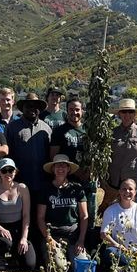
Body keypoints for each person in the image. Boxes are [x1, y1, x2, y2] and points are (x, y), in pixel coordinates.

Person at [37, 154, 88, 271]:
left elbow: (84, 216)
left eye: (64, 166)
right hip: (53, 235)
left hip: (73, 236)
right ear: (53, 169)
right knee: (60, 268)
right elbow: (40, 218)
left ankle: (78, 255)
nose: (61, 169)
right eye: (57, 166)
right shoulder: (46, 189)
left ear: (69, 169)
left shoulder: (77, 188)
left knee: (82, 269)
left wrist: (81, 240)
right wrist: (49, 238)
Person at [51, 95, 95, 230]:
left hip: (87, 179)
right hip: (68, 180)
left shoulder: (89, 131)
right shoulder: (59, 131)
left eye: (77, 109)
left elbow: (95, 155)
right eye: (71, 109)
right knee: (71, 214)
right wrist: (74, 171)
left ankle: (87, 243)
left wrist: (89, 171)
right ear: (67, 110)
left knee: (89, 214)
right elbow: (53, 156)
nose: (74, 113)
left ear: (82, 111)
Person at [103, 99, 137, 214]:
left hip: (136, 184)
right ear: (119, 114)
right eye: (124, 112)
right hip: (114, 185)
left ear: (134, 114)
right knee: (115, 217)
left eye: (130, 112)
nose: (127, 115)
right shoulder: (112, 133)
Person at [0, 158, 34, 270]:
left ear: (15, 172)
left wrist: (24, 238)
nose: (8, 173)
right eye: (4, 171)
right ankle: (0, 256)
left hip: (18, 227)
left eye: (10, 170)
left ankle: (16, 255)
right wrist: (0, 229)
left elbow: (26, 215)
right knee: (5, 243)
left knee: (29, 265)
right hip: (1, 228)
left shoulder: (22, 188)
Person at [6, 92, 53, 206]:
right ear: (22, 108)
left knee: (39, 215)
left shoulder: (46, 128)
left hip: (42, 181)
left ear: (39, 109)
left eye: (35, 106)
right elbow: (7, 154)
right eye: (28, 106)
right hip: (20, 181)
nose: (32, 109)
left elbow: (50, 154)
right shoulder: (12, 127)